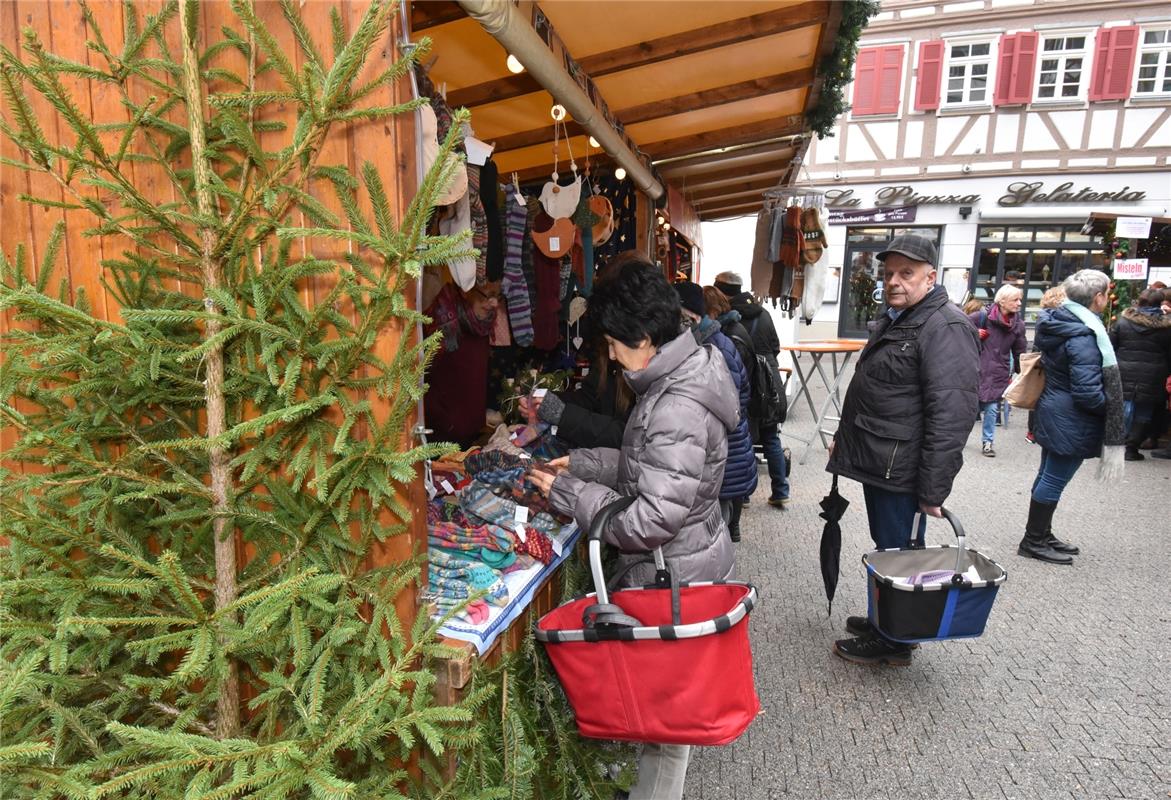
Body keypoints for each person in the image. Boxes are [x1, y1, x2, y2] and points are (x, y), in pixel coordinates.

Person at [529, 257, 737, 800]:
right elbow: (653, 465)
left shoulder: (677, 404)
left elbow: (652, 518)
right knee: (664, 711)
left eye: (615, 343)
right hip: (689, 558)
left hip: (676, 570)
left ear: (644, 336)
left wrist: (570, 493)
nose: (611, 355)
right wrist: (587, 464)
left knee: (670, 721)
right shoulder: (679, 375)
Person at [825, 233, 979, 666]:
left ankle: (896, 640)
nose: (894, 281)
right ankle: (886, 620)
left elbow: (952, 416)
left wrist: (933, 490)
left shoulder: (944, 325)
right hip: (883, 459)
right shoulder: (901, 318)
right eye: (889, 272)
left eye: (906, 273)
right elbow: (883, 394)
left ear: (931, 277)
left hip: (903, 468)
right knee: (890, 547)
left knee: (903, 551)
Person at [1023, 270, 1126, 565]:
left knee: (1047, 475)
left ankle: (1042, 534)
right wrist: (1113, 407)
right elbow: (1087, 393)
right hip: (1071, 416)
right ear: (1098, 298)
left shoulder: (1063, 323)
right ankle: (1033, 541)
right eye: (1106, 294)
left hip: (1055, 409)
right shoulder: (1084, 334)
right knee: (1053, 479)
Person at [677, 281, 758, 542]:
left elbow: (731, 404)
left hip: (726, 450)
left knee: (716, 531)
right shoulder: (710, 341)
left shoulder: (715, 347)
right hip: (726, 450)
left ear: (691, 315)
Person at [714, 271, 790, 507]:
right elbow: (776, 348)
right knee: (770, 437)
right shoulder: (763, 313)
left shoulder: (728, 318)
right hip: (769, 384)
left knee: (743, 437)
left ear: (722, 292)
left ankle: (744, 494)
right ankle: (781, 491)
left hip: (745, 382)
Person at [423, 282, 500, 448]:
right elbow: (421, 378)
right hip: (440, 435)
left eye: (497, 295)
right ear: (466, 292)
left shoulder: (481, 324)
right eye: (489, 295)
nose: (495, 303)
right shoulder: (440, 325)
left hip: (471, 431)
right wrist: (444, 421)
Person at [1108, 288, 1171, 461]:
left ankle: (1114, 445)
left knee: (1122, 407)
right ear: (1160, 303)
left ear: (1139, 302)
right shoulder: (1166, 327)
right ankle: (1131, 448)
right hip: (1154, 374)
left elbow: (1111, 346)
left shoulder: (1123, 322)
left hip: (1123, 370)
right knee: (1144, 411)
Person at [969, 284, 1028, 457]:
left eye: (1020, 300)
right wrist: (974, 332)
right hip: (975, 369)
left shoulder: (1018, 325)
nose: (1019, 303)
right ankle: (956, 438)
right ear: (1002, 301)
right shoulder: (981, 317)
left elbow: (1020, 351)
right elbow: (958, 331)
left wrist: (1023, 372)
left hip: (998, 372)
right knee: (968, 408)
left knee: (992, 408)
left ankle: (988, 442)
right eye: (1015, 300)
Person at [1026, 285, 1067, 444]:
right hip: (1054, 362)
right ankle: (1039, 430)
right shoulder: (1059, 319)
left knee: (1037, 394)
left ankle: (1032, 430)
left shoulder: (1043, 318)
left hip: (1042, 360)